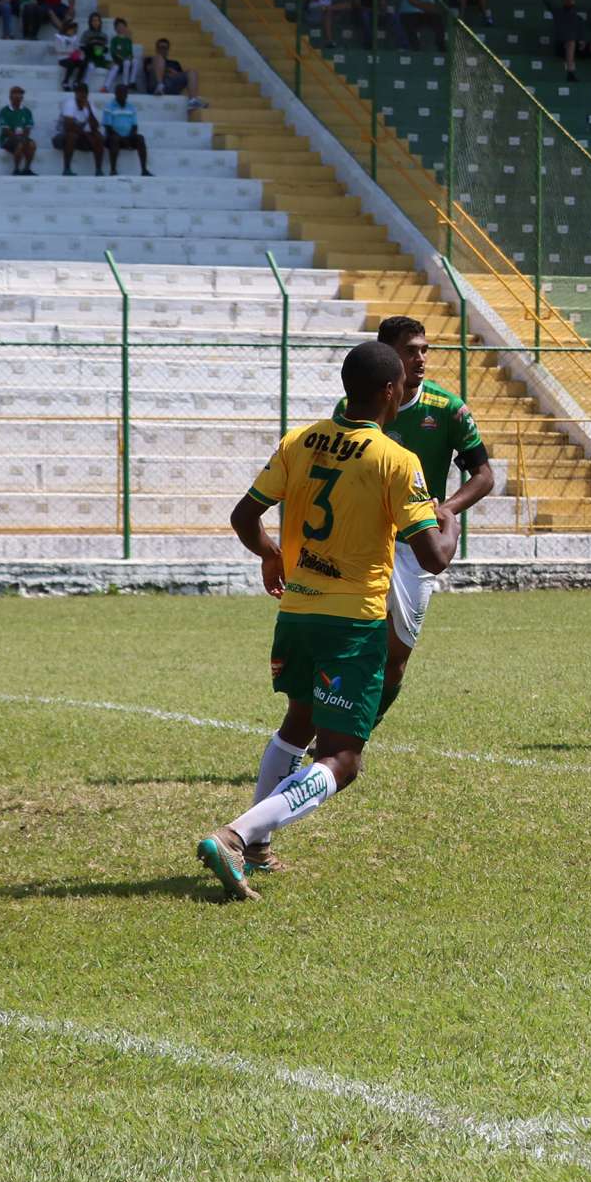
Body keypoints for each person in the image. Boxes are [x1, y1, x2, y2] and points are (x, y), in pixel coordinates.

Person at [195, 339, 452, 898]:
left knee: (298, 721)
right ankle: (238, 835)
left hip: (297, 611)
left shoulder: (301, 440)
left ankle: (257, 847)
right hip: (351, 623)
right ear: (390, 391)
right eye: (403, 383)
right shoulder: (395, 460)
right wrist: (447, 519)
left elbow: (245, 515)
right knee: (342, 758)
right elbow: (432, 555)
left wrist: (270, 553)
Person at [312, 317, 498, 762]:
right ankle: (326, 736)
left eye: (425, 349)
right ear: (387, 356)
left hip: (417, 546)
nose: (421, 358)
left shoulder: (448, 409)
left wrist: (448, 508)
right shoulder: (351, 407)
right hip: (364, 542)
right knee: (345, 643)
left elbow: (485, 475)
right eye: (411, 349)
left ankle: (358, 730)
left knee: (395, 658)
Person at [52, 84, 104, 174]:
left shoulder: (89, 105)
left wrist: (90, 111)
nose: (83, 95)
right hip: (60, 137)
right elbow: (68, 126)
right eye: (80, 92)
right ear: (76, 93)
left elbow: (95, 127)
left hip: (79, 137)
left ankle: (98, 170)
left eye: (85, 93)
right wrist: (87, 135)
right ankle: (66, 169)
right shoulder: (70, 103)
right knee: (72, 135)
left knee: (98, 136)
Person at [102, 83, 149, 177]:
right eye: (120, 92)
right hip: (113, 137)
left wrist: (130, 136)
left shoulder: (131, 107)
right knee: (114, 139)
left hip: (128, 137)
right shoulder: (109, 107)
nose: (122, 94)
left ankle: (144, 170)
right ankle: (113, 170)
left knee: (140, 138)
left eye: (124, 92)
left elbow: (134, 126)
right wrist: (122, 139)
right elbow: (108, 128)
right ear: (116, 94)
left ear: (127, 94)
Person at [0, 86, 38, 176]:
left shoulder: (27, 111)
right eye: (15, 94)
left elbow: (28, 128)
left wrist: (24, 138)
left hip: (22, 138)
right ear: (10, 97)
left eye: (20, 94)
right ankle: (16, 169)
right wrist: (18, 138)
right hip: (7, 139)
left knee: (32, 144)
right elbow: (5, 130)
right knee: (19, 144)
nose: (18, 96)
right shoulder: (4, 111)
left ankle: (27, 169)